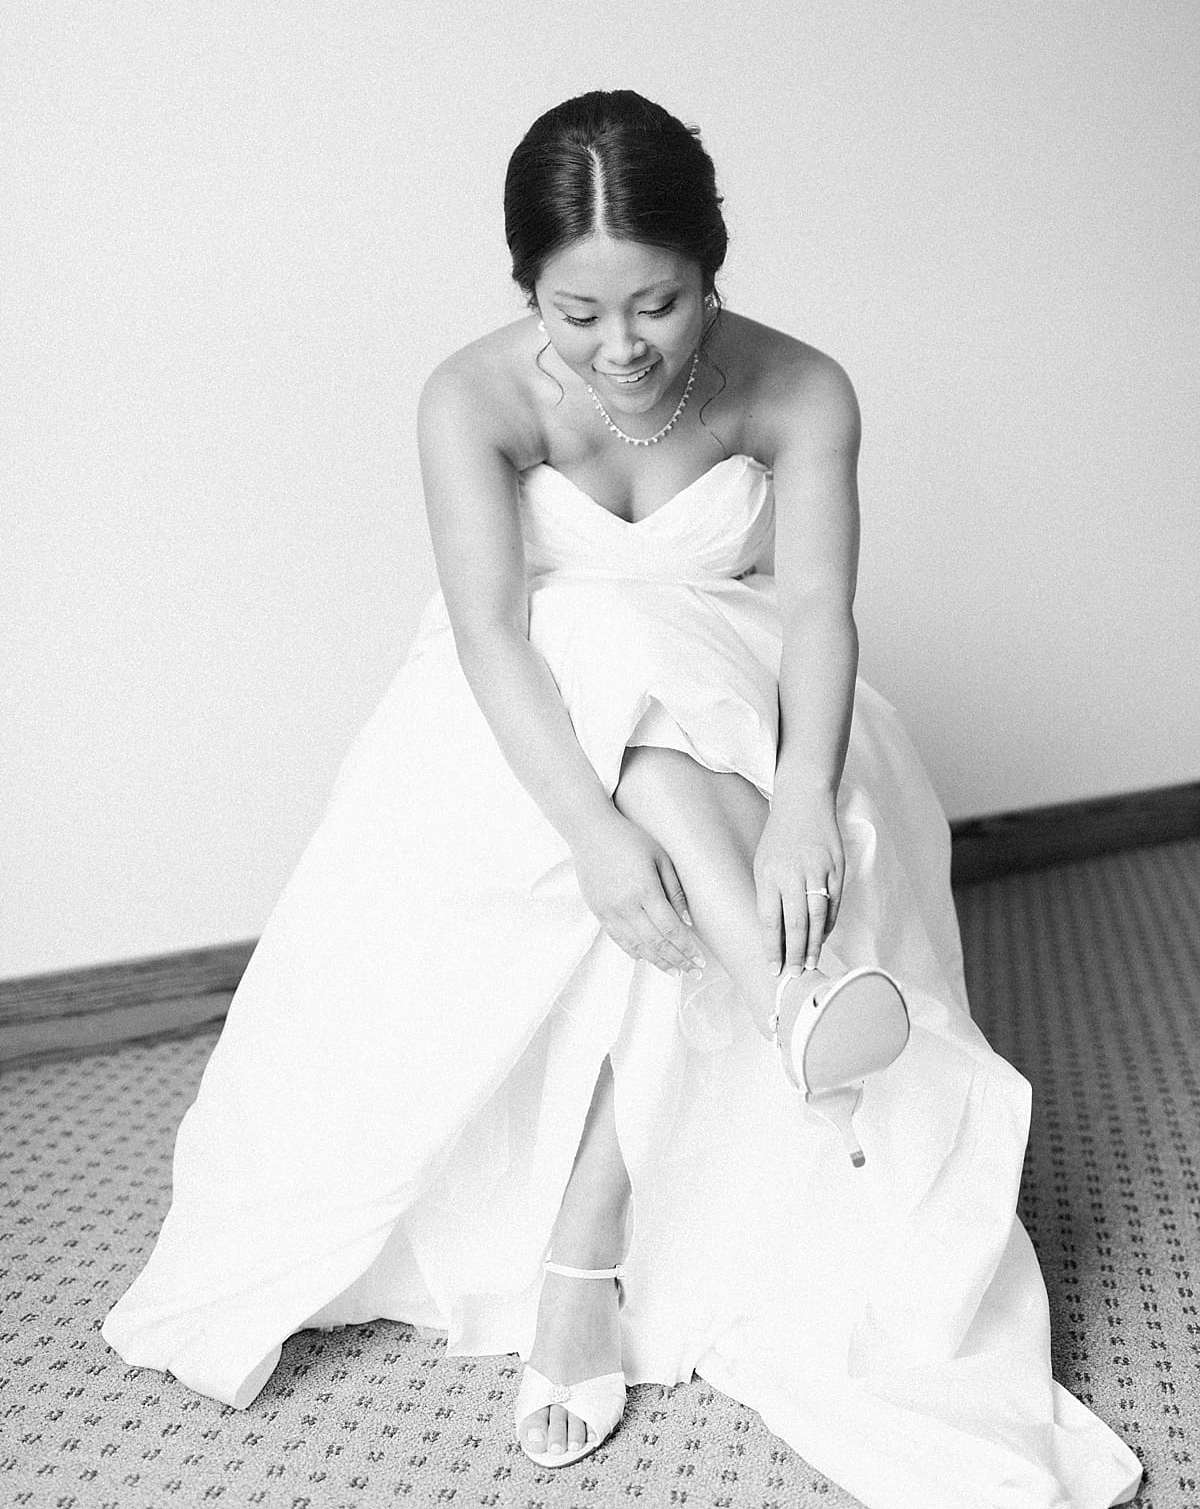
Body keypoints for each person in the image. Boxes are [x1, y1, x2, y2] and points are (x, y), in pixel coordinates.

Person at [103, 90, 1142, 1509]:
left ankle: (585, 1258)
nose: (622, 348)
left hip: (745, 700)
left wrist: (798, 807)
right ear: (524, 288)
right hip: (526, 724)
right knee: (606, 659)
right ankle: (785, 1003)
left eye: (657, 304)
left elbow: (824, 617)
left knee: (659, 680)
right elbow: (492, 635)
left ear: (714, 268)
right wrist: (591, 834)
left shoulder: (802, 387)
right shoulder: (468, 398)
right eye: (576, 313)